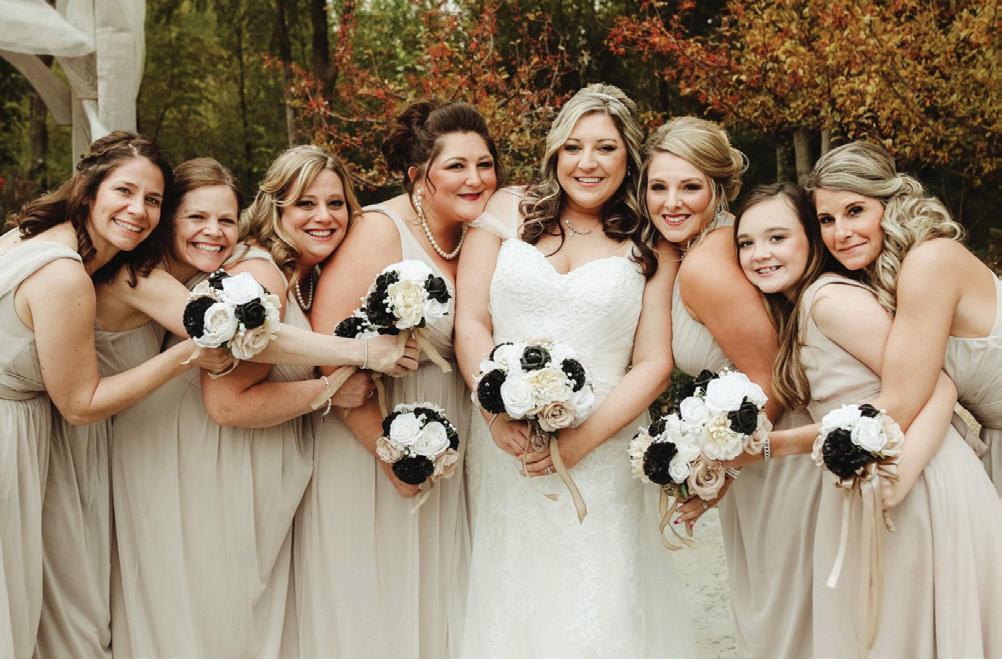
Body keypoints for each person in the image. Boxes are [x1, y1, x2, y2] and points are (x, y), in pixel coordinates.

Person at [109, 151, 415, 656]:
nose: (324, 217)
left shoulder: (295, 274)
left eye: (336, 203)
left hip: (237, 464)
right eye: (305, 204)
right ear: (275, 207)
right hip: (208, 465)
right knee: (209, 627)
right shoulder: (259, 275)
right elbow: (227, 405)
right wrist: (332, 388)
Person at [454, 84, 695, 657]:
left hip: (602, 447)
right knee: (510, 593)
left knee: (598, 602)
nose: (587, 163)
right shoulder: (507, 209)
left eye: (605, 148)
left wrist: (580, 443)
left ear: (629, 157)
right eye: (573, 147)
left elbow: (654, 362)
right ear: (554, 152)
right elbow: (471, 320)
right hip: (506, 443)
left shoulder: (650, 241)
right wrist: (493, 413)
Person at [735, 181, 1002, 657]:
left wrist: (772, 448)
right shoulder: (804, 307)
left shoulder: (828, 300)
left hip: (913, 479)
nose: (760, 254)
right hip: (870, 477)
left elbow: (938, 385)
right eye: (746, 243)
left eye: (777, 237)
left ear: (810, 240)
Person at [0, 132, 230, 659]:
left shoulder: (31, 237)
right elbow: (80, 405)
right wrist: (185, 356)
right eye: (124, 191)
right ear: (89, 189)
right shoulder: (64, 276)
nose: (138, 210)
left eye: (153, 200)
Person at [297, 101, 498, 657]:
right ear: (417, 176)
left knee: (435, 596)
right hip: (372, 436)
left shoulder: (478, 234)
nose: (475, 179)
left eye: (484, 164)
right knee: (378, 597)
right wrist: (390, 456)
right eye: (456, 166)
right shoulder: (378, 231)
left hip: (448, 438)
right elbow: (328, 351)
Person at [642, 117, 820, 658]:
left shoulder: (708, 264)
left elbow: (775, 379)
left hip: (778, 458)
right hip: (761, 450)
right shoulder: (702, 246)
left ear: (720, 187)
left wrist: (718, 473)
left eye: (690, 186)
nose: (672, 202)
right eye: (658, 186)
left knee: (785, 620)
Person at [808, 141, 1002, 494]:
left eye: (855, 211)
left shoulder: (930, 261)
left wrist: (769, 447)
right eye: (827, 220)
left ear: (888, 203)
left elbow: (901, 402)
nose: (840, 232)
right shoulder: (886, 277)